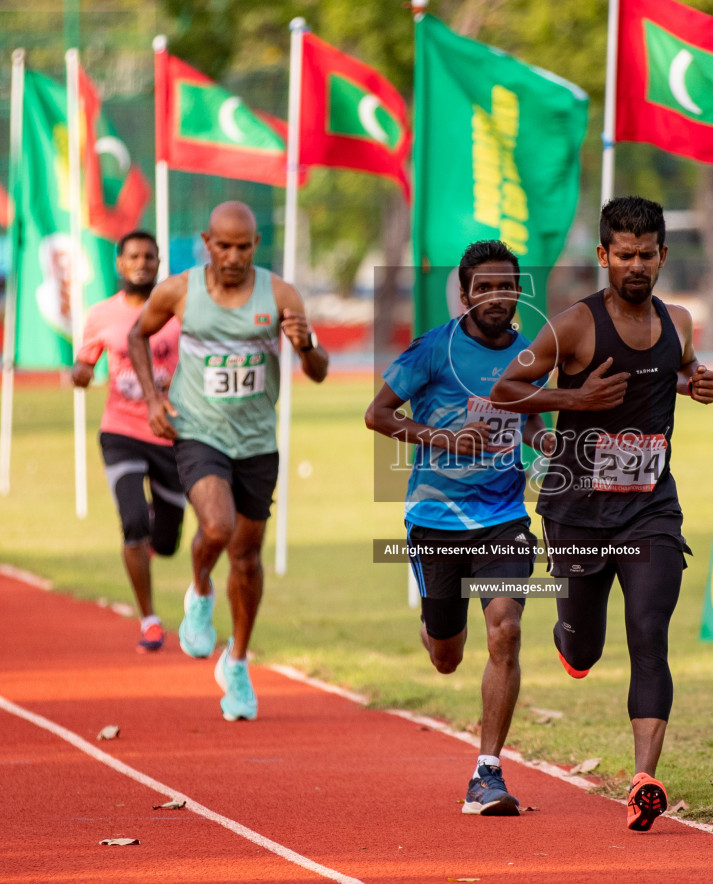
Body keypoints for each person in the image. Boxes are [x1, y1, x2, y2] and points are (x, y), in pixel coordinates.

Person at [491, 196, 713, 832]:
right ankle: (570, 643)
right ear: (604, 256)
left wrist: (697, 381)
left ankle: (645, 779)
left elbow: (678, 369)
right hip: (578, 514)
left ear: (663, 256)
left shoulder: (679, 322)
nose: (636, 266)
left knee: (649, 632)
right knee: (586, 644)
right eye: (624, 255)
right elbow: (506, 390)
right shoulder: (574, 327)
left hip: (651, 510)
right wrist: (577, 396)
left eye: (647, 255)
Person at [364, 240, 549, 816]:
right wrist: (441, 437)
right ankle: (433, 620)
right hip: (436, 520)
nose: (497, 297)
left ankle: (487, 773)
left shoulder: (528, 356)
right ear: (466, 294)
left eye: (507, 286)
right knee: (447, 655)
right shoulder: (433, 350)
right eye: (485, 288)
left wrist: (553, 451)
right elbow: (378, 414)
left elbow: (533, 424)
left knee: (505, 630)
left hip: (504, 518)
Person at [127, 202, 329, 721]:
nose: (233, 256)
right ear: (206, 241)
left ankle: (236, 661)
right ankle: (198, 590)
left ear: (256, 244)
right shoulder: (179, 290)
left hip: (258, 441)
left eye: (243, 247)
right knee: (215, 527)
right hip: (198, 432)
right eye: (224, 245)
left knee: (248, 556)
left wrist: (305, 346)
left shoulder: (280, 294)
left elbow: (320, 369)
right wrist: (154, 400)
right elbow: (137, 335)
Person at [72, 231, 185, 653]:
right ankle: (150, 619)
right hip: (120, 431)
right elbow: (84, 365)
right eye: (134, 256)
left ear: (159, 263)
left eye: (150, 256)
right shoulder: (101, 314)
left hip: (171, 434)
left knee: (168, 541)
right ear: (119, 264)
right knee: (133, 520)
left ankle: (150, 540)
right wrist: (80, 374)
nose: (142, 263)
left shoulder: (177, 311)